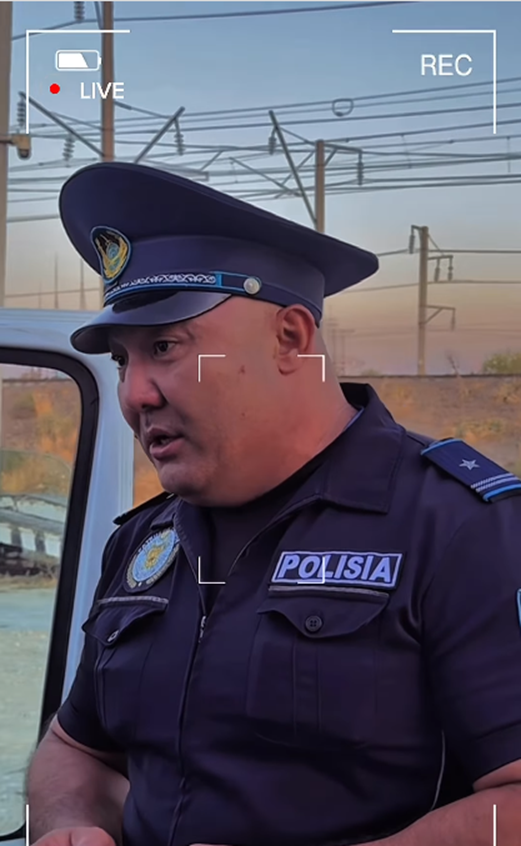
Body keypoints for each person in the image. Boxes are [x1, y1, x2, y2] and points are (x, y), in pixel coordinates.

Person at [28, 162, 521, 846]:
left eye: (165, 347)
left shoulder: (461, 525)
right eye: (121, 361)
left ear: (290, 338)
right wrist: (68, 823)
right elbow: (76, 747)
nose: (135, 394)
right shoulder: (144, 542)